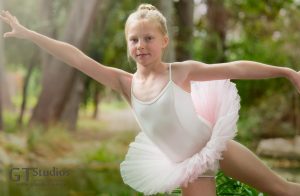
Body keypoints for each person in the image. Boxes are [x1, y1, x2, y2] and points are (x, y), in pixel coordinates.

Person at [1, 3, 300, 196]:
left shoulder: (180, 72)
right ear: (127, 44)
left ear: (164, 41)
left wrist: (285, 71)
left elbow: (236, 68)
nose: (141, 45)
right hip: (188, 167)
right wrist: (30, 34)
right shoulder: (124, 83)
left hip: (214, 146)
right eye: (134, 39)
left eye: (149, 38)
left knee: (282, 190)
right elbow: (76, 58)